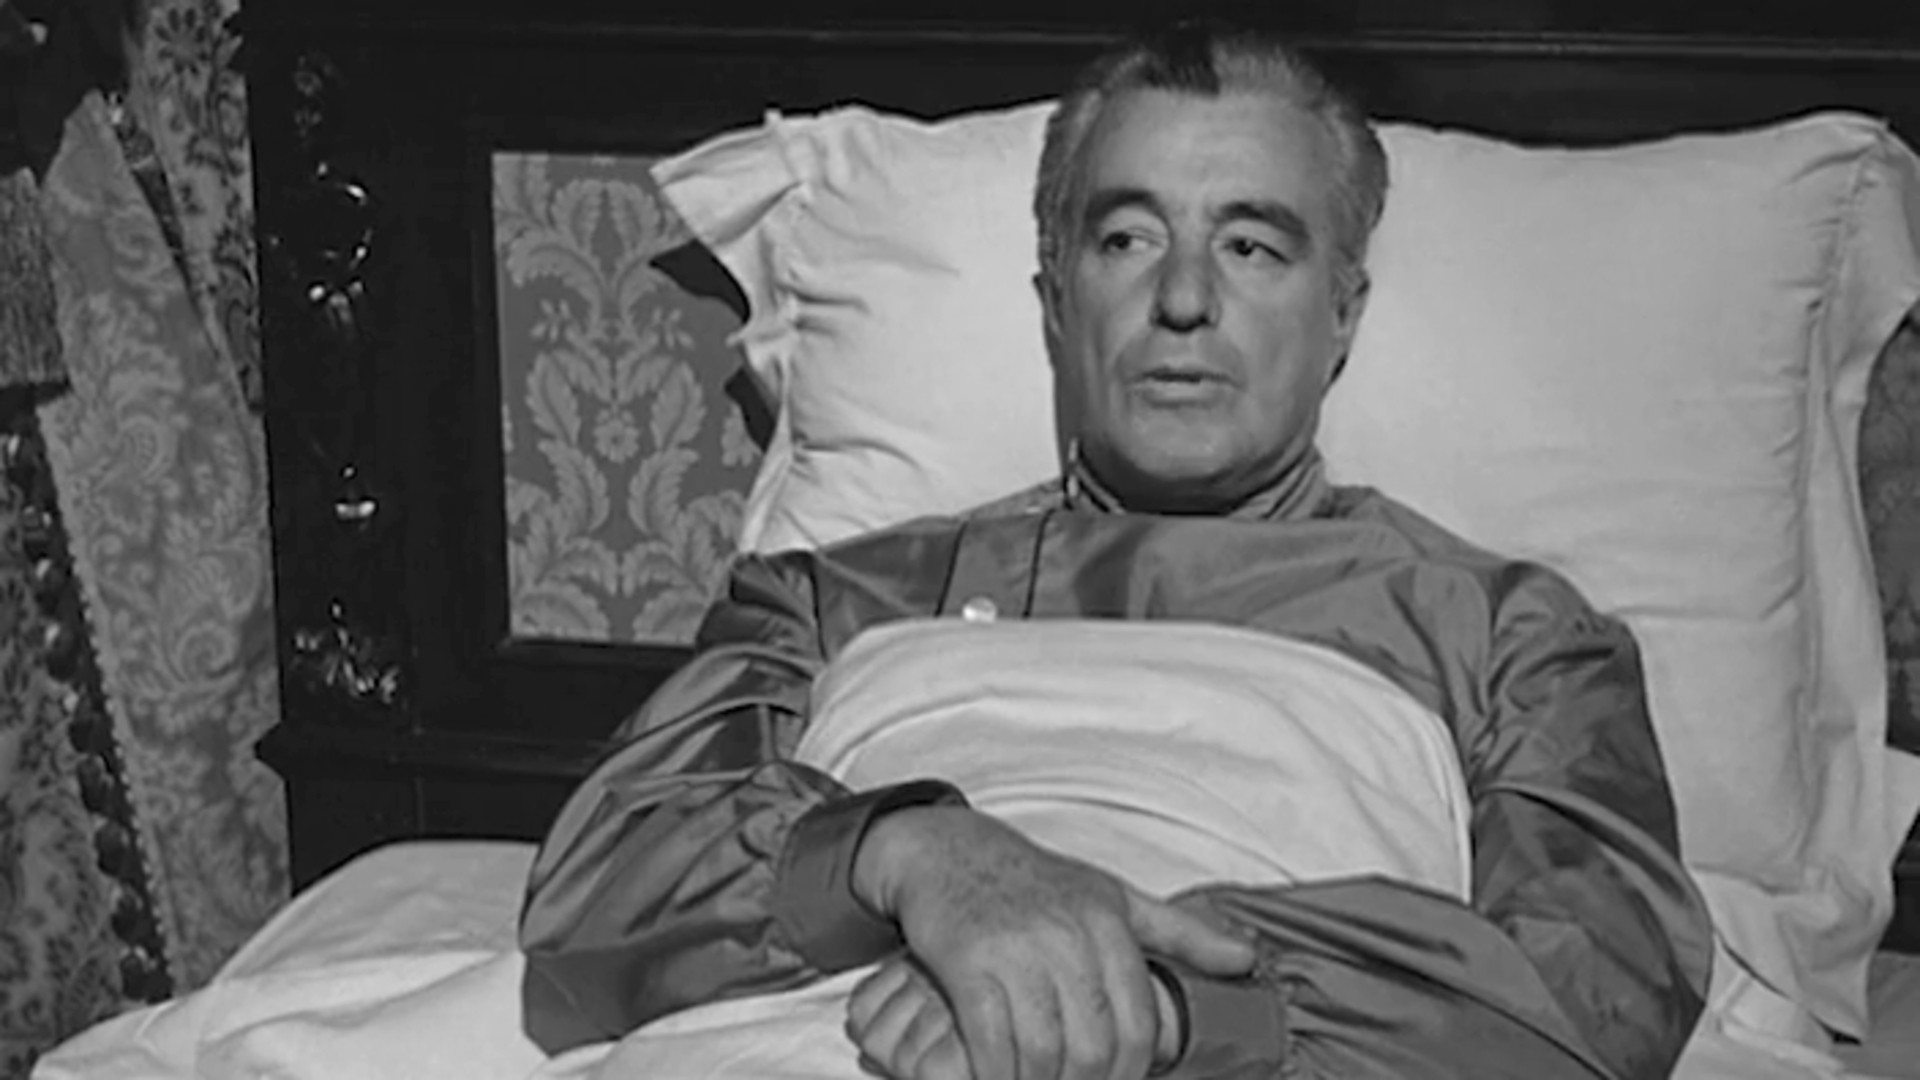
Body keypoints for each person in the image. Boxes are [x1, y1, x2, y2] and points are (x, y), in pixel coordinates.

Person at [518, 20, 1714, 1080]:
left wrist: (1162, 1000)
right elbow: (602, 882)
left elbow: (1591, 993)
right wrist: (914, 853)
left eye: (1252, 247)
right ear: (1057, 298)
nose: (1185, 298)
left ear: (1343, 311)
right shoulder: (832, 601)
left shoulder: (1508, 634)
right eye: (1129, 239)